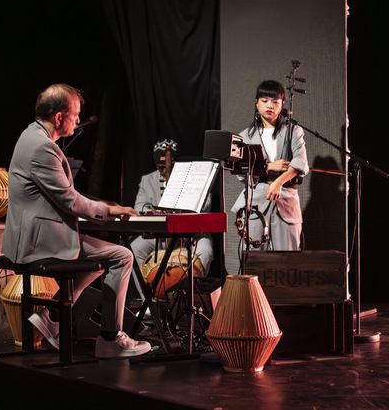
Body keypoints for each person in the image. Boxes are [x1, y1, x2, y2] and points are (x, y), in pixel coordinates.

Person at [1, 83, 151, 359]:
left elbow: (62, 195)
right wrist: (112, 211)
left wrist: (103, 206)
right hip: (40, 241)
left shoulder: (30, 136)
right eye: (76, 114)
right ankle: (109, 338)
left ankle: (55, 314)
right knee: (121, 256)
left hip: (36, 234)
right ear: (59, 117)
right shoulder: (42, 148)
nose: (79, 120)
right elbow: (69, 200)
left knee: (105, 256)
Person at [231, 80, 309, 251]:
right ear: (256, 102)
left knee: (288, 262)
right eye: (265, 100)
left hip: (286, 200)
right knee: (254, 262)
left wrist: (278, 182)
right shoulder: (244, 136)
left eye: (275, 101)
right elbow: (240, 172)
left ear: (282, 104)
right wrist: (269, 166)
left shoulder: (293, 131)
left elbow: (301, 162)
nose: (270, 105)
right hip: (255, 202)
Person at [130, 139, 214, 277]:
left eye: (168, 166)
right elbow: (139, 207)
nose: (165, 171)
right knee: (135, 248)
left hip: (190, 235)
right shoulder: (148, 179)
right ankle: (151, 293)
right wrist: (154, 210)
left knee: (205, 250)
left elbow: (206, 205)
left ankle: (190, 291)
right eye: (160, 167)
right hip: (159, 236)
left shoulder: (194, 176)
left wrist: (184, 205)